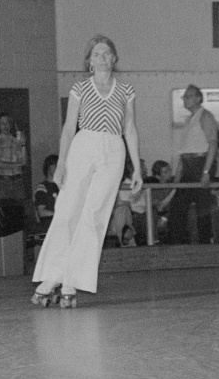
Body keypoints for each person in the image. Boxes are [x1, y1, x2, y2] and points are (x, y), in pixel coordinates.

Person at [31, 35, 142, 306]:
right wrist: (62, 165)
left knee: (94, 216)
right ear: (89, 62)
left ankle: (71, 280)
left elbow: (130, 129)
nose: (102, 57)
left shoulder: (126, 91)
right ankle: (51, 276)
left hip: (114, 149)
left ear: (114, 58)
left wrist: (137, 168)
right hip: (84, 145)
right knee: (68, 211)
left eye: (107, 53)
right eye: (97, 54)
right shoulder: (80, 88)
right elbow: (69, 129)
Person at [171, 84, 219, 243]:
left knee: (202, 207)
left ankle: (205, 244)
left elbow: (213, 143)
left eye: (187, 96)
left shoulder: (205, 116)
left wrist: (206, 172)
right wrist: (179, 172)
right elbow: (185, 149)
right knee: (178, 206)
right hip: (189, 165)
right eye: (184, 97)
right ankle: (179, 244)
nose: (184, 99)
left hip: (201, 163)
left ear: (198, 98)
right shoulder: (189, 119)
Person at [0, 113, 27, 205]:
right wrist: (17, 164)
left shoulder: (17, 141)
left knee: (19, 212)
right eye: (3, 123)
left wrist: (23, 145)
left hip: (17, 181)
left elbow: (24, 161)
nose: (6, 126)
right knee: (3, 212)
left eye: (8, 123)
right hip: (2, 182)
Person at [33, 154, 59, 234]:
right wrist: (58, 214)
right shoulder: (43, 187)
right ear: (49, 167)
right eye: (56, 165)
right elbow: (41, 212)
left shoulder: (60, 186)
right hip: (49, 226)